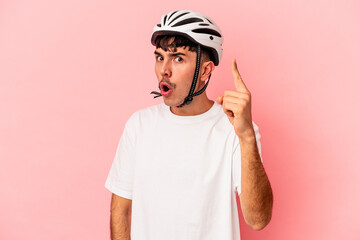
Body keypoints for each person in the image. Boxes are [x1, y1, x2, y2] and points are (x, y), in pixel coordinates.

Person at [105, 9, 273, 240]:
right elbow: (121, 211)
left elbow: (258, 220)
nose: (164, 70)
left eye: (178, 58)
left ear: (205, 71)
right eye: (160, 57)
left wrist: (245, 137)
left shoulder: (234, 130)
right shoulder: (139, 126)